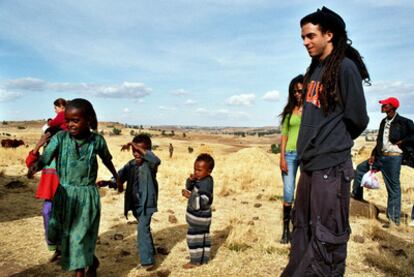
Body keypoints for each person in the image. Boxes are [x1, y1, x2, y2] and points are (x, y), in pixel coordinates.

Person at [281, 7, 370, 276]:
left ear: (328, 35)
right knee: (304, 231)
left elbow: (358, 119)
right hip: (309, 166)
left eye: (310, 36)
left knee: (327, 237)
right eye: (303, 38)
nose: (306, 42)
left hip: (330, 168)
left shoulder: (345, 67)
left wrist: (332, 142)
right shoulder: (314, 70)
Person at [28, 98, 121, 277]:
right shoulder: (60, 139)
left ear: (88, 119)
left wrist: (116, 177)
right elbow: (46, 157)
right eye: (67, 120)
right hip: (64, 195)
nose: (70, 124)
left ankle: (80, 272)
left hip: (86, 196)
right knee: (65, 236)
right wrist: (36, 166)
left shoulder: (97, 141)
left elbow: (106, 159)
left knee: (79, 237)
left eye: (75, 120)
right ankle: (92, 261)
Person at [98, 134, 161, 270]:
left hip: (147, 204)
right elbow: (120, 177)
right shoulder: (131, 165)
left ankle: (147, 261)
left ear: (148, 150)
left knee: (142, 228)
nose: (136, 153)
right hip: (135, 203)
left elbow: (156, 160)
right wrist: (109, 182)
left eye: (140, 150)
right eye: (134, 151)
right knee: (144, 228)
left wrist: (135, 145)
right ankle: (151, 251)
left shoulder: (150, 165)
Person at [352, 97, 414, 227]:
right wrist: (374, 154)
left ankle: (393, 220)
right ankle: (357, 198)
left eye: (385, 105)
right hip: (380, 157)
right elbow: (379, 141)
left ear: (392, 106)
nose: (382, 106)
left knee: (393, 188)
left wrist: (403, 142)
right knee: (360, 169)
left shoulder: (404, 122)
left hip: (393, 158)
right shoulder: (383, 122)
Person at [25, 128, 60, 261]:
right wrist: (37, 146)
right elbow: (30, 164)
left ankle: (66, 250)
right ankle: (56, 248)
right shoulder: (45, 156)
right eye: (46, 140)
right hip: (50, 195)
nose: (47, 142)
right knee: (47, 214)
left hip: (65, 195)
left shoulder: (64, 154)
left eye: (49, 139)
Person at [279, 74, 304, 244]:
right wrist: (281, 158)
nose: (297, 94)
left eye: (300, 91)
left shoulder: (312, 111)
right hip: (289, 154)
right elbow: (284, 136)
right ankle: (285, 230)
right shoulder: (289, 112)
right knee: (288, 193)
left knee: (305, 191)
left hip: (307, 155)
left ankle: (301, 228)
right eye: (294, 91)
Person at [182, 153, 214, 269]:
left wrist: (189, 196)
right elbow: (190, 186)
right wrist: (190, 180)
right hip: (203, 218)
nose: (196, 172)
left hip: (199, 219)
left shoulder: (206, 184)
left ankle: (194, 261)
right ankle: (203, 259)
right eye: (195, 169)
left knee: (194, 239)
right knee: (203, 238)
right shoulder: (202, 179)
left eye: (199, 170)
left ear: (209, 171)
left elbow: (203, 201)